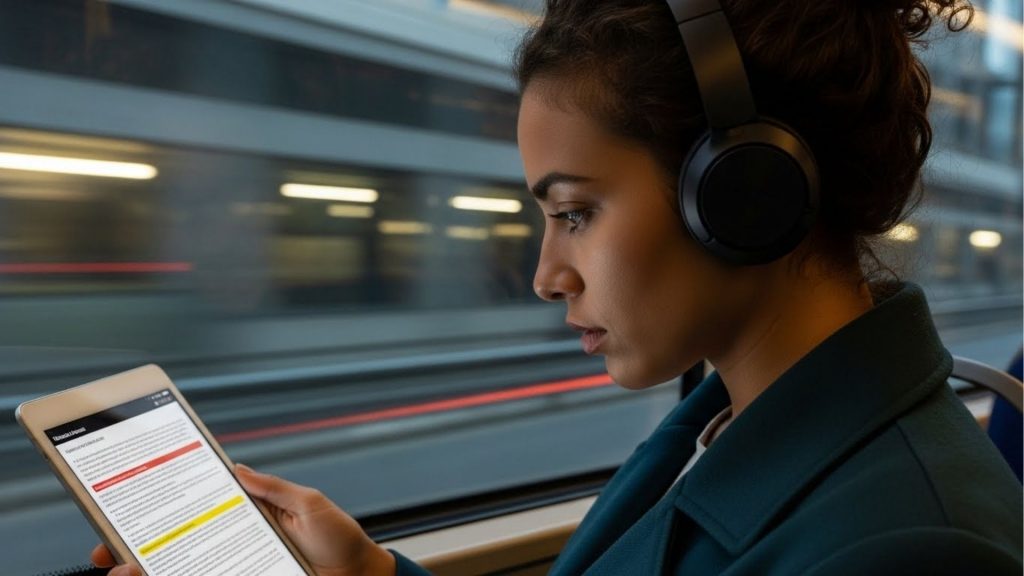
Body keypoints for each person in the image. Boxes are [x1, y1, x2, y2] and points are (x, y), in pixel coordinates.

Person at [93, 0, 1023, 574]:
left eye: (574, 213)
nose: (545, 276)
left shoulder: (909, 547)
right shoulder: (721, 425)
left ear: (743, 197)